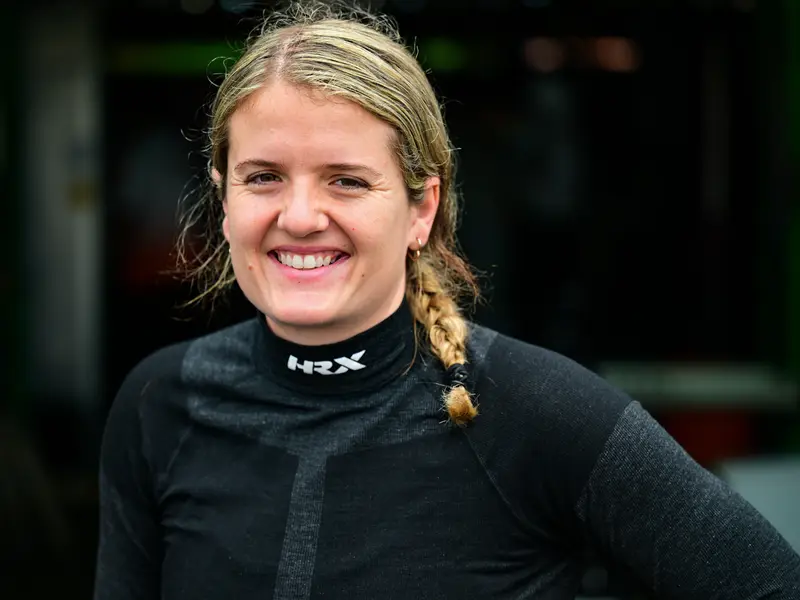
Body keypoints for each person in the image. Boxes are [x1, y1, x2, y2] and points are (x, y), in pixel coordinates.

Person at [94, 1, 800, 598]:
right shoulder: (160, 406)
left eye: (346, 180)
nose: (300, 216)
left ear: (421, 209)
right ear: (223, 200)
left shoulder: (542, 412)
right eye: (263, 178)